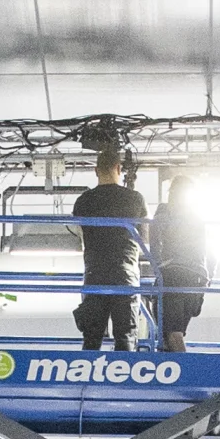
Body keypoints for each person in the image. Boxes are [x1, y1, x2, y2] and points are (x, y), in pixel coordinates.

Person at [71, 136, 146, 351]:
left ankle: (84, 380)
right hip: (125, 275)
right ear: (118, 168)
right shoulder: (135, 199)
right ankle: (124, 381)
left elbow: (79, 236)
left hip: (95, 274)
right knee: (125, 337)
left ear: (96, 170)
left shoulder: (83, 200)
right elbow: (144, 239)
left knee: (92, 337)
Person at [149, 170, 208, 352]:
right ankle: (174, 373)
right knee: (172, 333)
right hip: (196, 281)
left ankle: (190, 375)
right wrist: (207, 277)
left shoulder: (164, 214)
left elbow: (154, 245)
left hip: (173, 275)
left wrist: (158, 270)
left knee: (172, 333)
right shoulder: (197, 219)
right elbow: (210, 252)